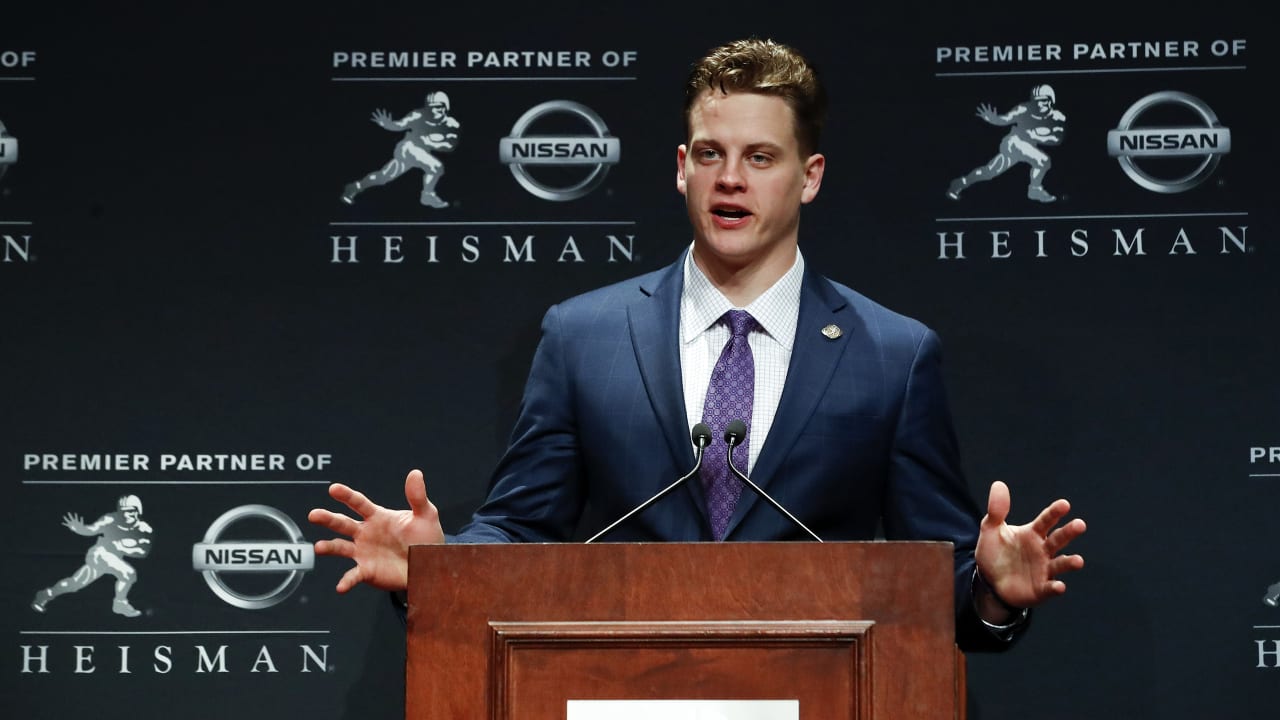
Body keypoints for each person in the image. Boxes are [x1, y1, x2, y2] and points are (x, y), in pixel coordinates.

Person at [309, 38, 1086, 651]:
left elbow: (937, 573)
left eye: (760, 157)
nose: (730, 182)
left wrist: (988, 590)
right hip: (619, 689)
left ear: (809, 177)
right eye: (710, 154)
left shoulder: (893, 353)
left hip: (825, 686)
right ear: (681, 169)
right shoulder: (583, 335)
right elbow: (519, 532)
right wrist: (435, 568)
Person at [32, 494, 153, 618]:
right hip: (100, 554)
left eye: (131, 511)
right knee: (128, 573)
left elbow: (143, 552)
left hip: (113, 558)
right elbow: (92, 529)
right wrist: (80, 529)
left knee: (74, 584)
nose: (127, 515)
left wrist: (123, 548)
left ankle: (46, 594)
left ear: (139, 511)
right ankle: (120, 604)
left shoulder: (144, 530)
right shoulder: (110, 519)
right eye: (124, 511)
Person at [946, 84, 1066, 203]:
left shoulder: (1058, 117)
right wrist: (994, 119)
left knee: (989, 172)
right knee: (1043, 160)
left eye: (1044, 101)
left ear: (1051, 100)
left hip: (1027, 147)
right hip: (1014, 142)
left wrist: (1036, 136)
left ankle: (961, 183)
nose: (1040, 104)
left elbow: (1057, 139)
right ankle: (1034, 190)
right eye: (1037, 101)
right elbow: (1005, 119)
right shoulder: (1024, 109)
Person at [341, 91, 460, 208]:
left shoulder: (451, 125)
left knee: (382, 177)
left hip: (421, 153)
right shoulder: (418, 115)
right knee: (436, 167)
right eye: (431, 107)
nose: (434, 111)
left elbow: (450, 146)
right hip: (408, 148)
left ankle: (355, 187)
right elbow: (400, 125)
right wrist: (388, 125)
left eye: (438, 107)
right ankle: (427, 195)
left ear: (446, 107)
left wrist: (431, 142)